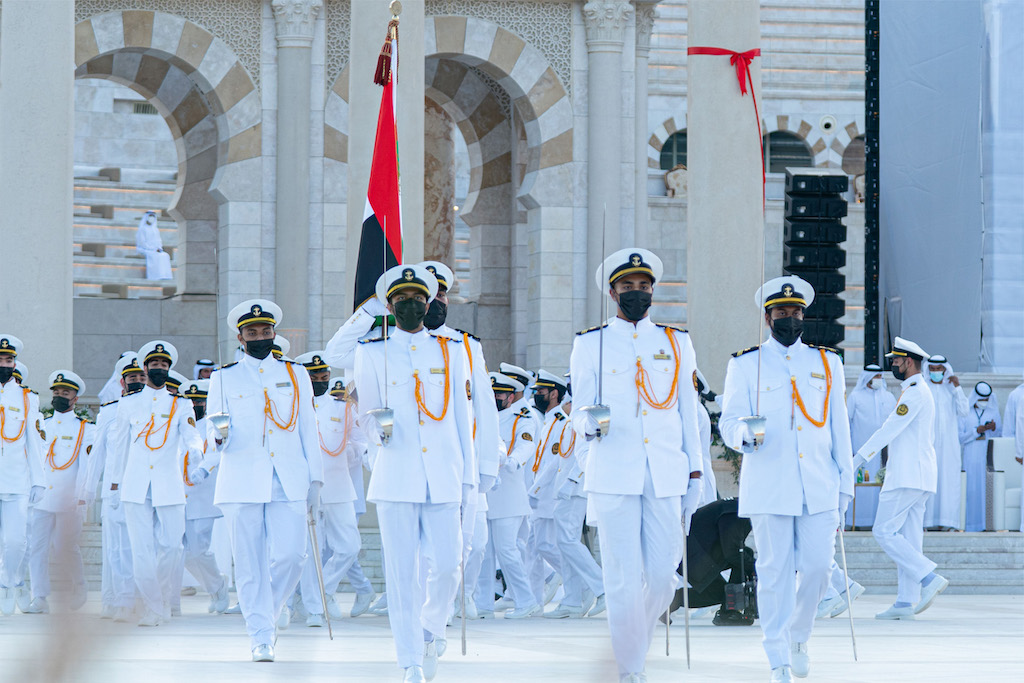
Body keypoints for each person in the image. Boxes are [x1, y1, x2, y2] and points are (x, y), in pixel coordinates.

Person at [570, 248, 703, 683]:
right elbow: (579, 409)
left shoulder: (675, 341)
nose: (637, 293)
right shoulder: (591, 343)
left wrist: (696, 471)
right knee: (623, 578)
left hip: (665, 471)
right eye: (628, 287)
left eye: (643, 287)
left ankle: (632, 646)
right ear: (612, 292)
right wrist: (588, 423)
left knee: (664, 579)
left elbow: (688, 411)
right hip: (613, 472)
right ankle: (631, 667)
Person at [720, 276, 853, 683]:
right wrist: (745, 433)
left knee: (817, 569)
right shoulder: (745, 364)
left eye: (795, 313)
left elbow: (839, 428)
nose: (789, 319)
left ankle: (799, 636)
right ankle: (776, 650)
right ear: (767, 317)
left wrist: (844, 483)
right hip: (769, 484)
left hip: (818, 484)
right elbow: (727, 422)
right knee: (776, 570)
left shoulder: (827, 362)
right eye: (781, 313)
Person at [354, 264, 475, 683]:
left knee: (447, 566)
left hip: (444, 474)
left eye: (418, 299)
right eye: (402, 300)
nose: (411, 305)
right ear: (389, 306)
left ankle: (429, 629)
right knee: (401, 573)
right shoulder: (371, 351)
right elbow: (364, 415)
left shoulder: (451, 351)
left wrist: (469, 480)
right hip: (397, 476)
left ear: (429, 303)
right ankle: (411, 661)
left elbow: (463, 419)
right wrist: (379, 428)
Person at [204, 300, 324, 662]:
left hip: (288, 477)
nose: (260, 337)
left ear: (274, 333)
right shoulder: (223, 377)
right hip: (241, 478)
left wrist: (315, 481)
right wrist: (218, 438)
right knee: (250, 561)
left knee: (292, 556)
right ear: (240, 337)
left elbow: (307, 429)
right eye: (252, 333)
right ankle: (260, 635)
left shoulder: (295, 374)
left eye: (265, 331)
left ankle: (265, 616)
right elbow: (212, 430)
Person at [418, 261, 500, 624]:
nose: (437, 300)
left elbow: (485, 409)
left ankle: (453, 598)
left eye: (442, 293)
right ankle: (433, 614)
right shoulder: (389, 340)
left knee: (474, 543)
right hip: (420, 464)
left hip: (463, 464)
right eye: (428, 294)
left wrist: (487, 464)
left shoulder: (466, 345)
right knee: (428, 549)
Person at [107, 340, 204, 626]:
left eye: (164, 365)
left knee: (172, 547)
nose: (159, 368)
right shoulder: (128, 403)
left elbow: (191, 434)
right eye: (154, 364)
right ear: (145, 367)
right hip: (135, 485)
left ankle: (159, 597)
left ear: (169, 369)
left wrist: (197, 450)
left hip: (168, 483)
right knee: (141, 549)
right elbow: (120, 447)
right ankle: (152, 606)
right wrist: (114, 485)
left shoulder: (180, 404)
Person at [853, 336, 948, 619]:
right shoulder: (917, 390)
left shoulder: (915, 392)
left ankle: (927, 577)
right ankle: (906, 601)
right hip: (918, 476)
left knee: (883, 531)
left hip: (907, 475)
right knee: (908, 537)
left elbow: (888, 429)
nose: (892, 364)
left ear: (908, 362)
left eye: (895, 360)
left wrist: (856, 459)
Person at [293, 351, 362, 628]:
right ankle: (312, 607)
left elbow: (360, 441)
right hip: (306, 486)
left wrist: (352, 452)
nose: (321, 381)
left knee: (350, 546)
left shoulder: (342, 408)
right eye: (315, 377)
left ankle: (324, 590)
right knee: (313, 549)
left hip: (339, 486)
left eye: (325, 377)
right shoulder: (295, 408)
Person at [25, 371, 95, 613]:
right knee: (37, 547)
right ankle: (40, 597)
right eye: (56, 392)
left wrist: (82, 497)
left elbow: (86, 467)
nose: (59, 396)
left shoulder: (85, 429)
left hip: (69, 498)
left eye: (65, 393)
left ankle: (79, 586)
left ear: (75, 398)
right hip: (43, 498)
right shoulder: (42, 425)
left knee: (66, 547)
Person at [85, 353, 145, 621]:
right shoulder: (109, 411)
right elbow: (96, 455)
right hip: (115, 490)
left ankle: (135, 598)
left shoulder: (155, 408)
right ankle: (117, 600)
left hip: (145, 489)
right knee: (117, 548)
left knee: (140, 547)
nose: (138, 381)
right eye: (132, 377)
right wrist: (86, 492)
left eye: (141, 376)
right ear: (122, 383)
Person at [479, 372, 541, 619]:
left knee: (507, 551)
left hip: (509, 495)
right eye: (494, 393)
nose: (496, 397)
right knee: (484, 552)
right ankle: (483, 602)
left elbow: (526, 444)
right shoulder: (486, 416)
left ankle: (525, 600)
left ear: (512, 395)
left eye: (501, 394)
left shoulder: (523, 416)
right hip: (488, 493)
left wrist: (514, 460)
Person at [0, 334, 46, 616]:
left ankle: (8, 583)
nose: (5, 364)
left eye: (9, 359)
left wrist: (39, 480)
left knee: (17, 541)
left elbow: (35, 442)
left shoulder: (28, 399)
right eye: (1, 359)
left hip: (16, 480)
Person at [551, 388, 607, 618]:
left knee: (566, 540)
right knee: (566, 542)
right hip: (567, 486)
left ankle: (602, 587)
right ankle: (572, 598)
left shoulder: (589, 412)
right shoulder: (574, 414)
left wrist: (573, 480)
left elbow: (589, 450)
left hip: (577, 487)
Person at [178, 380, 229, 615]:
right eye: (192, 400)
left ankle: (218, 588)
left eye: (200, 400)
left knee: (198, 550)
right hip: (178, 494)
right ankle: (216, 585)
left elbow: (218, 451)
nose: (196, 404)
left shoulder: (213, 424)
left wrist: (204, 470)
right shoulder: (177, 422)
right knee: (181, 552)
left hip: (203, 495)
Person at [329, 377, 378, 617]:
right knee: (334, 549)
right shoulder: (328, 416)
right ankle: (362, 589)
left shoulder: (356, 417)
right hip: (328, 492)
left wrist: (341, 449)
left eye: (343, 397)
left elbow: (361, 448)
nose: (340, 402)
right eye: (336, 397)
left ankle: (359, 589)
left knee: (343, 548)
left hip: (351, 495)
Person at [527, 370, 572, 613]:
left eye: (541, 392)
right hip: (538, 494)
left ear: (554, 394)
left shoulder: (560, 423)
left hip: (546, 494)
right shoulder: (548, 420)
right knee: (533, 549)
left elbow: (554, 462)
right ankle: (532, 601)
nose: (537, 396)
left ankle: (577, 580)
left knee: (545, 545)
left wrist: (534, 489)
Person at [846, 364, 896, 527]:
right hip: (860, 451)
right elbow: (847, 423)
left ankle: (878, 522)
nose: (878, 380)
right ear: (867, 378)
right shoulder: (855, 397)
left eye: (880, 377)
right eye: (875, 377)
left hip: (883, 452)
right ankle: (857, 522)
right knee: (861, 486)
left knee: (880, 485)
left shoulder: (889, 397)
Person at [922, 355, 969, 530]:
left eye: (939, 369)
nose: (935, 372)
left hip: (949, 446)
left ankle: (949, 522)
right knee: (929, 480)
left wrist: (957, 388)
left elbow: (964, 411)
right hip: (929, 444)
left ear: (945, 370)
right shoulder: (924, 388)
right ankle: (926, 522)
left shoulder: (951, 389)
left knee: (948, 482)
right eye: (932, 369)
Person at [958, 381, 1001, 532]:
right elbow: (960, 438)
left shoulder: (992, 412)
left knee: (984, 489)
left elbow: (999, 436)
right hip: (970, 456)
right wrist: (977, 431)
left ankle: (985, 525)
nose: (984, 402)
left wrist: (992, 429)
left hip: (986, 456)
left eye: (986, 399)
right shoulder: (966, 413)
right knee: (970, 489)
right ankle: (968, 525)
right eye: (981, 399)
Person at [135, 210, 173, 280]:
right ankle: (155, 276)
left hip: (155, 250)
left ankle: (164, 275)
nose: (151, 218)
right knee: (156, 256)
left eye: (153, 217)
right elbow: (142, 243)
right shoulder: (142, 229)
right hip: (145, 249)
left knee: (165, 255)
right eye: (150, 217)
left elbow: (159, 241)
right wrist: (152, 249)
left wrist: (159, 248)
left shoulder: (155, 229)